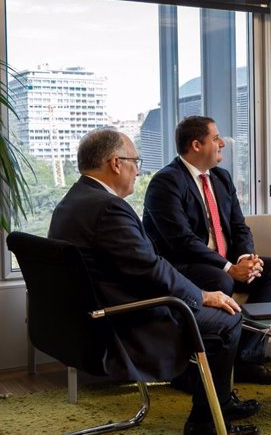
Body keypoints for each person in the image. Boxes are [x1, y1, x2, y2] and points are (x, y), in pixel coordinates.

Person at [48, 129, 259, 435]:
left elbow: (142, 265)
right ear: (115, 163)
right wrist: (202, 296)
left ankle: (220, 402)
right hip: (124, 317)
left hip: (91, 313)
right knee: (227, 320)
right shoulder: (107, 208)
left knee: (216, 304)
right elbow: (149, 269)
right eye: (135, 161)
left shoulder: (73, 200)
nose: (138, 169)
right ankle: (206, 422)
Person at [143, 115, 271, 385]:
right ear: (197, 145)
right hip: (181, 265)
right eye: (215, 138)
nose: (222, 143)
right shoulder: (165, 182)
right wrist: (229, 268)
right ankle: (196, 369)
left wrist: (246, 258)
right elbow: (181, 241)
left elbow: (239, 226)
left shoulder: (221, 178)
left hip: (221, 261)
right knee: (220, 279)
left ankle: (245, 360)